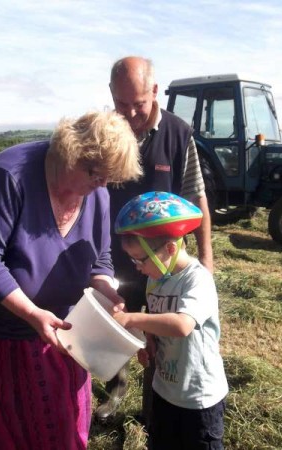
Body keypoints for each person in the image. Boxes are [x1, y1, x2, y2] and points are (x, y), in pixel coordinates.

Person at [0, 110, 142, 450]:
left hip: (56, 319)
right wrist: (32, 313)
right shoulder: (9, 174)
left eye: (110, 178)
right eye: (98, 174)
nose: (104, 185)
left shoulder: (98, 194)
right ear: (72, 154)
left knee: (55, 416)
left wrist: (105, 287)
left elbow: (101, 258)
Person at [95, 55, 214, 422]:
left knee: (160, 336)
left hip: (163, 261)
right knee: (113, 328)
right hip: (117, 257)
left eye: (138, 104)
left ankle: (155, 408)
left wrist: (206, 259)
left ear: (155, 92)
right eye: (121, 104)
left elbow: (196, 197)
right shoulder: (106, 132)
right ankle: (112, 401)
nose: (129, 114)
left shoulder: (178, 134)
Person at [113, 191, 228, 450]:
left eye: (140, 259)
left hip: (199, 399)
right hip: (165, 391)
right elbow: (156, 315)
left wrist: (132, 318)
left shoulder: (197, 280)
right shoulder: (156, 278)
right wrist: (149, 339)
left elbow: (182, 325)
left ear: (170, 249)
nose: (137, 267)